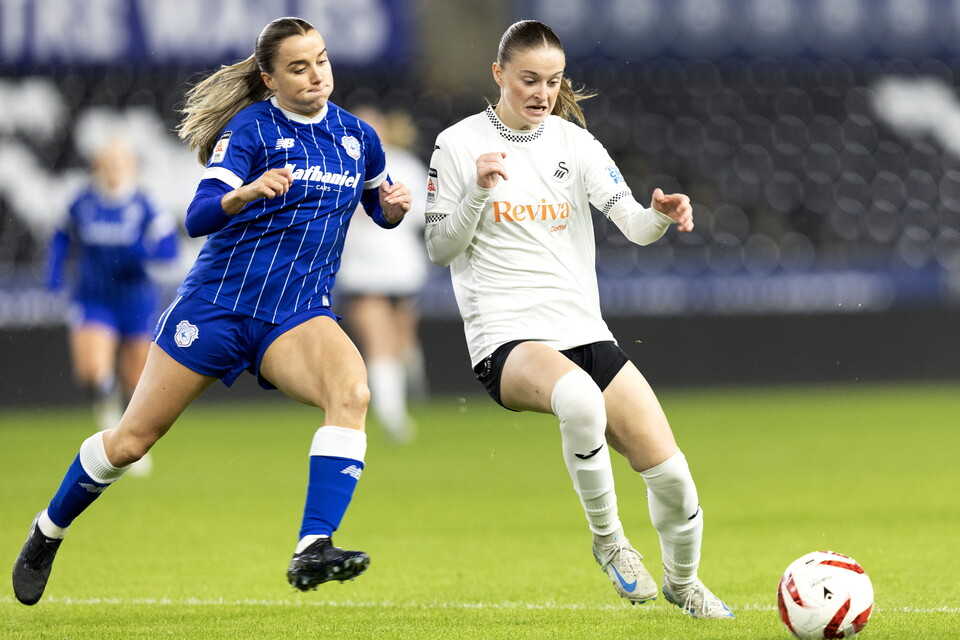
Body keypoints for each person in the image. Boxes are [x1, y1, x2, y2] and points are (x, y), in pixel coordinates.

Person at [12, 16, 411, 606]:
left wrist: (395, 208)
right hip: (217, 307)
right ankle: (48, 530)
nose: (315, 75)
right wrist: (244, 192)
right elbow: (199, 216)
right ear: (270, 79)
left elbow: (379, 208)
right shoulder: (251, 129)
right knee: (131, 442)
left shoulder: (357, 137)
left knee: (351, 392)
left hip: (296, 316)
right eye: (298, 67)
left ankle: (313, 545)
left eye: (321, 61)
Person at [423, 20, 733, 619]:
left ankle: (684, 583)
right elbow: (438, 247)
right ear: (499, 75)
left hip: (585, 333)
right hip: (507, 339)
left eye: (554, 81)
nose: (542, 93)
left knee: (673, 477)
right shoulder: (458, 145)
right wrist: (479, 192)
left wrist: (662, 214)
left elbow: (635, 227)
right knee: (582, 402)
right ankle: (610, 542)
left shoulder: (574, 143)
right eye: (529, 80)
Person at [46, 138, 180, 478]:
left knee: (136, 380)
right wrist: (55, 272)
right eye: (108, 162)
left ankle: (126, 440)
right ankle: (108, 417)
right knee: (93, 370)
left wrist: (142, 255)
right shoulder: (83, 202)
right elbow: (62, 236)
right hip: (94, 296)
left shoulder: (145, 205)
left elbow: (169, 249)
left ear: (131, 167)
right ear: (98, 167)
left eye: (121, 162)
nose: (114, 169)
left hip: (136, 298)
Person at [337, 105, 430, 443]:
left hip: (401, 270)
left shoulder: (403, 164)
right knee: (379, 342)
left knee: (402, 343)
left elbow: (424, 210)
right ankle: (394, 418)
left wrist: (398, 207)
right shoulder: (337, 165)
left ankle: (411, 388)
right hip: (362, 273)